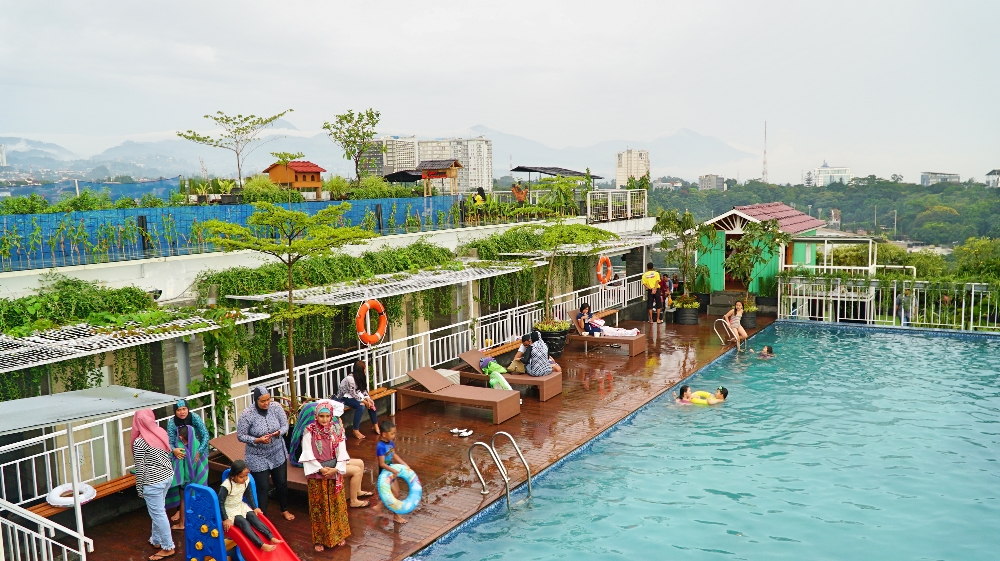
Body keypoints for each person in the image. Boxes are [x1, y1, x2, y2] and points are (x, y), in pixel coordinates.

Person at [298, 400, 351, 551]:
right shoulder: (309, 431)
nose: (325, 419)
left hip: (334, 472)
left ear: (331, 416)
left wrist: (335, 469)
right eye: (321, 416)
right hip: (317, 473)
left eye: (327, 416)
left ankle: (339, 535)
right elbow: (307, 452)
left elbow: (342, 451)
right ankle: (319, 540)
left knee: (336, 505)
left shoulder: (337, 430)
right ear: (316, 416)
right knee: (318, 506)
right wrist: (321, 469)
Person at [235, 387, 294, 521]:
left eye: (268, 399)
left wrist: (279, 432)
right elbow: (241, 436)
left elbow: (285, 425)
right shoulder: (247, 414)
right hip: (257, 455)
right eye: (262, 401)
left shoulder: (276, 407)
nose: (266, 403)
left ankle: (284, 509)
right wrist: (257, 440)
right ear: (256, 400)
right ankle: (263, 517)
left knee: (281, 483)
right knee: (263, 487)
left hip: (277, 451)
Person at [131, 409, 175, 561]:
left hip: (153, 482)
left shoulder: (139, 442)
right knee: (159, 510)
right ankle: (156, 540)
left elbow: (140, 468)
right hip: (167, 476)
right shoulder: (160, 432)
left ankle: (168, 547)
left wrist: (139, 488)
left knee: (158, 513)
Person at [219, 460, 283, 553]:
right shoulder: (227, 485)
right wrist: (225, 519)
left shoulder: (246, 480)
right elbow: (220, 502)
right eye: (241, 477)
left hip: (240, 506)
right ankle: (260, 544)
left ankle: (270, 537)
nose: (244, 478)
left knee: (253, 517)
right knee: (244, 523)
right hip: (230, 510)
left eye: (246, 475)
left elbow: (249, 494)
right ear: (233, 476)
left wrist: (254, 507)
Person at [165, 399, 209, 530]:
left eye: (184, 409)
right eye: (179, 410)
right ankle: (181, 511)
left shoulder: (194, 417)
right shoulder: (172, 423)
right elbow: (170, 441)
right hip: (182, 455)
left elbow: (205, 435)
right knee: (183, 484)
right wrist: (174, 450)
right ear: (175, 412)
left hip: (198, 454)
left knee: (196, 484)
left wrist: (198, 451)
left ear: (188, 409)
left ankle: (194, 513)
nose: (182, 412)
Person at [334, 360, 380, 441]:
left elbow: (363, 390)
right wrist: (364, 401)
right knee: (361, 406)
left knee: (371, 403)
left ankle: (375, 424)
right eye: (365, 368)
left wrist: (368, 398)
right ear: (360, 369)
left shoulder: (360, 377)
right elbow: (353, 394)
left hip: (355, 396)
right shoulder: (350, 379)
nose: (366, 370)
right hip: (344, 398)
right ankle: (355, 430)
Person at [376, 420, 410, 525]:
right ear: (384, 434)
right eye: (392, 433)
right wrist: (393, 470)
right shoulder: (380, 446)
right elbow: (382, 464)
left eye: (394, 433)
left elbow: (394, 455)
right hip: (385, 473)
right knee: (395, 493)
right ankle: (396, 516)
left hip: (391, 470)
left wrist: (404, 464)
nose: (394, 435)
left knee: (395, 493)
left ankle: (378, 507)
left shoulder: (390, 443)